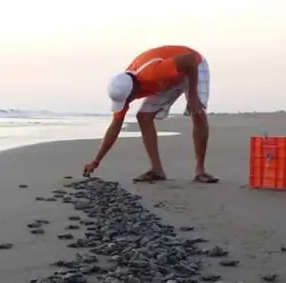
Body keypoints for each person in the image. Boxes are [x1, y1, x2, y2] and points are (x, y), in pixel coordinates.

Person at [83, 45, 218, 183]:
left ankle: (200, 171)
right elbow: (115, 127)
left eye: (128, 99)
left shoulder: (152, 72)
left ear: (133, 90)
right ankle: (157, 170)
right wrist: (96, 161)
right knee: (143, 116)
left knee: (198, 112)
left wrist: (193, 95)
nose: (128, 103)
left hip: (194, 65)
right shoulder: (122, 86)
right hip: (169, 78)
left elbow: (190, 60)